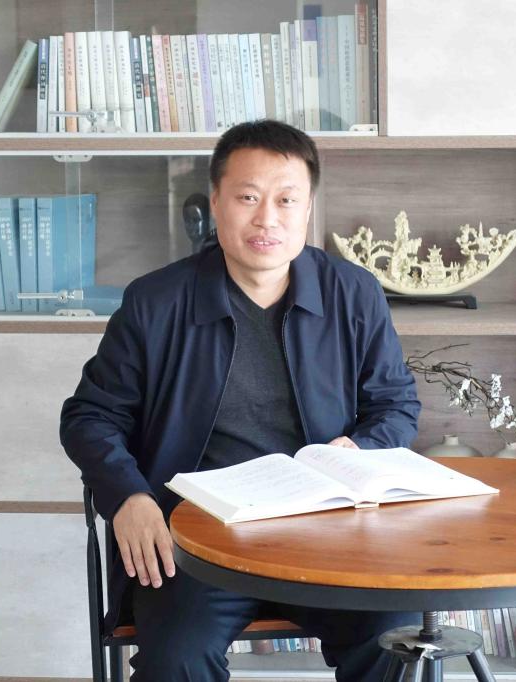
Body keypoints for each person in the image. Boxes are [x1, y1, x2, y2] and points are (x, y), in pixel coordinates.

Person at [60, 119, 421, 681]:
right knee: (177, 660)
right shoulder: (156, 301)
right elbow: (90, 415)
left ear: (308, 209)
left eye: (286, 200)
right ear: (216, 202)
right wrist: (129, 496)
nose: (267, 218)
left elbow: (395, 404)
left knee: (399, 639)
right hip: (198, 538)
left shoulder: (354, 293)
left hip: (329, 529)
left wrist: (359, 449)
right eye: (248, 198)